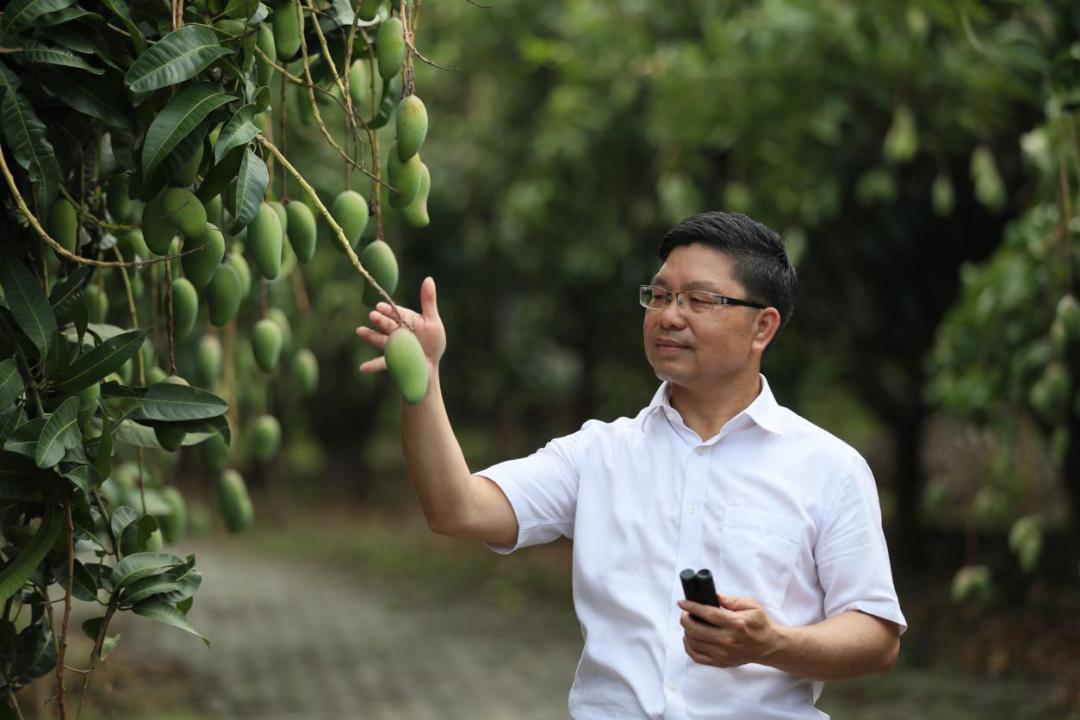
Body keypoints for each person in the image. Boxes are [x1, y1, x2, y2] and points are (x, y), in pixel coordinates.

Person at [355, 210, 906, 720]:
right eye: (660, 296)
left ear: (762, 327)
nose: (669, 316)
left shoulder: (829, 467)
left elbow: (877, 638)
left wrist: (771, 643)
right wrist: (422, 381)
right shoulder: (599, 454)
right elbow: (458, 509)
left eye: (699, 300)